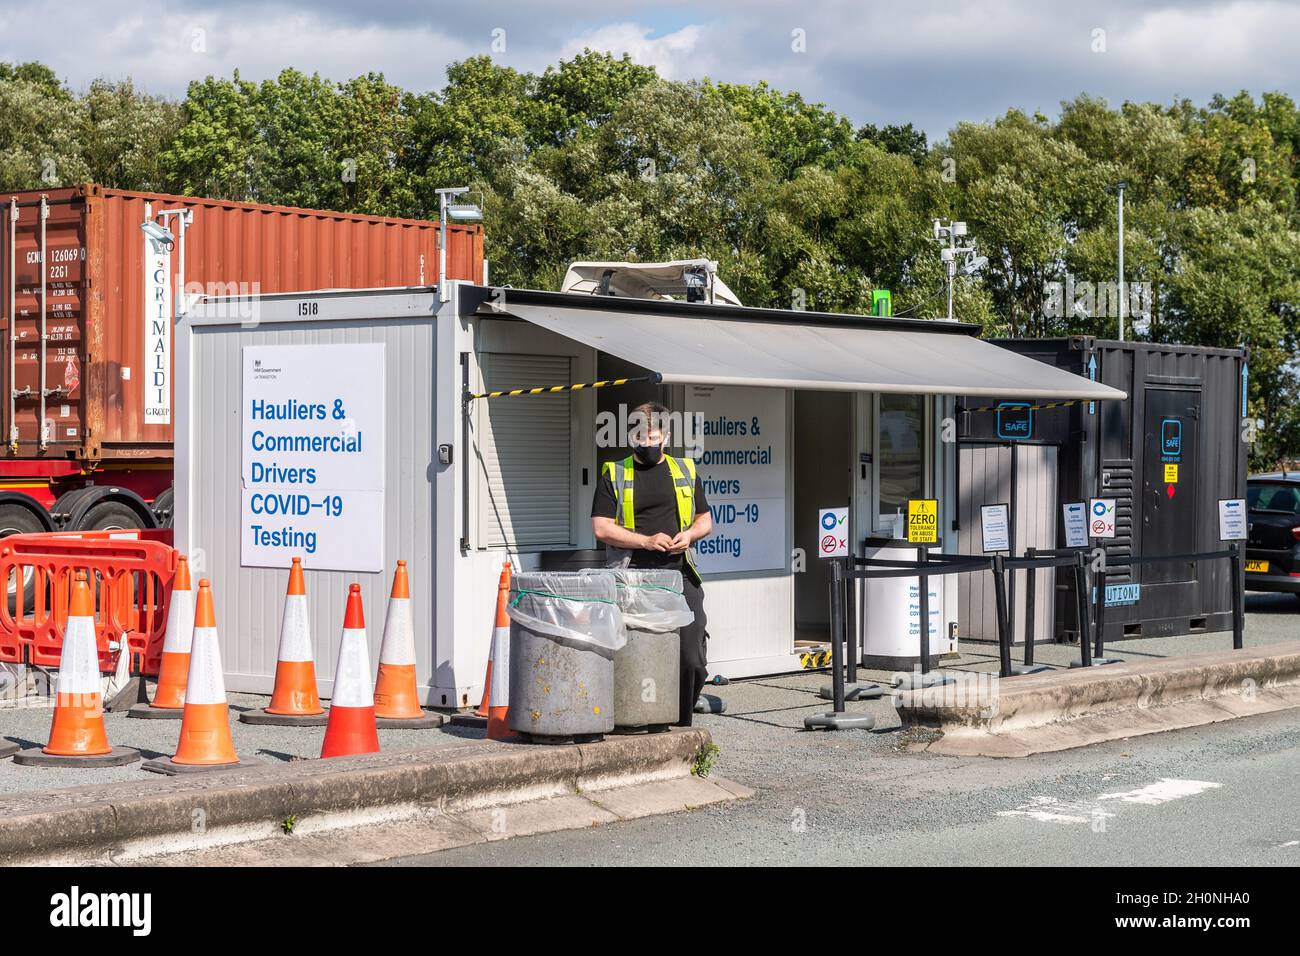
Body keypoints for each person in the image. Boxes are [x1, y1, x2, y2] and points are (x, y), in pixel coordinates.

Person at [591, 401, 713, 726]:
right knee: (634, 654)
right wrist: (646, 541)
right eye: (640, 436)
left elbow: (705, 520)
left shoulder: (685, 470)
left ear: (666, 435)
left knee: (692, 659)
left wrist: (689, 535)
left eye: (653, 436)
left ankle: (680, 724)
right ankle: (636, 720)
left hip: (679, 572)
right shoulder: (614, 473)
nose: (647, 443)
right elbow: (601, 527)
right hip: (633, 577)